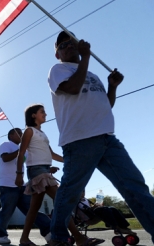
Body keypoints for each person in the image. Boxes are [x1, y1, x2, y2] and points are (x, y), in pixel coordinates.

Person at [47, 31, 154, 245]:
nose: (68, 46)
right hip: (79, 141)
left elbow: (106, 105)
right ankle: (58, 237)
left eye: (72, 42)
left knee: (135, 186)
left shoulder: (92, 75)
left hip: (108, 139)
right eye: (63, 45)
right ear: (57, 54)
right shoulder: (58, 70)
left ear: (79, 45)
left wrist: (112, 86)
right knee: (70, 191)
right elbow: (73, 88)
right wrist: (86, 57)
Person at [16, 105, 103, 246]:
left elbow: (52, 154)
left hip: (44, 169)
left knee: (33, 210)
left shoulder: (42, 134)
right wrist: (19, 174)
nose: (45, 114)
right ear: (33, 115)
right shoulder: (29, 131)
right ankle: (79, 238)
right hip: (37, 171)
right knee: (62, 201)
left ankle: (24, 239)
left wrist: (71, 160)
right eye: (42, 112)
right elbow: (21, 153)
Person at [0, 128, 51, 245]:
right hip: (8, 185)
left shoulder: (24, 150)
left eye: (22, 133)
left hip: (22, 185)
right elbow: (5, 158)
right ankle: (0, 235)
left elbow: (32, 164)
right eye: (19, 133)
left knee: (31, 209)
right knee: (7, 210)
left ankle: (48, 231)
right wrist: (20, 150)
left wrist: (48, 169)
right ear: (10, 135)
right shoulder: (6, 145)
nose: (21, 135)